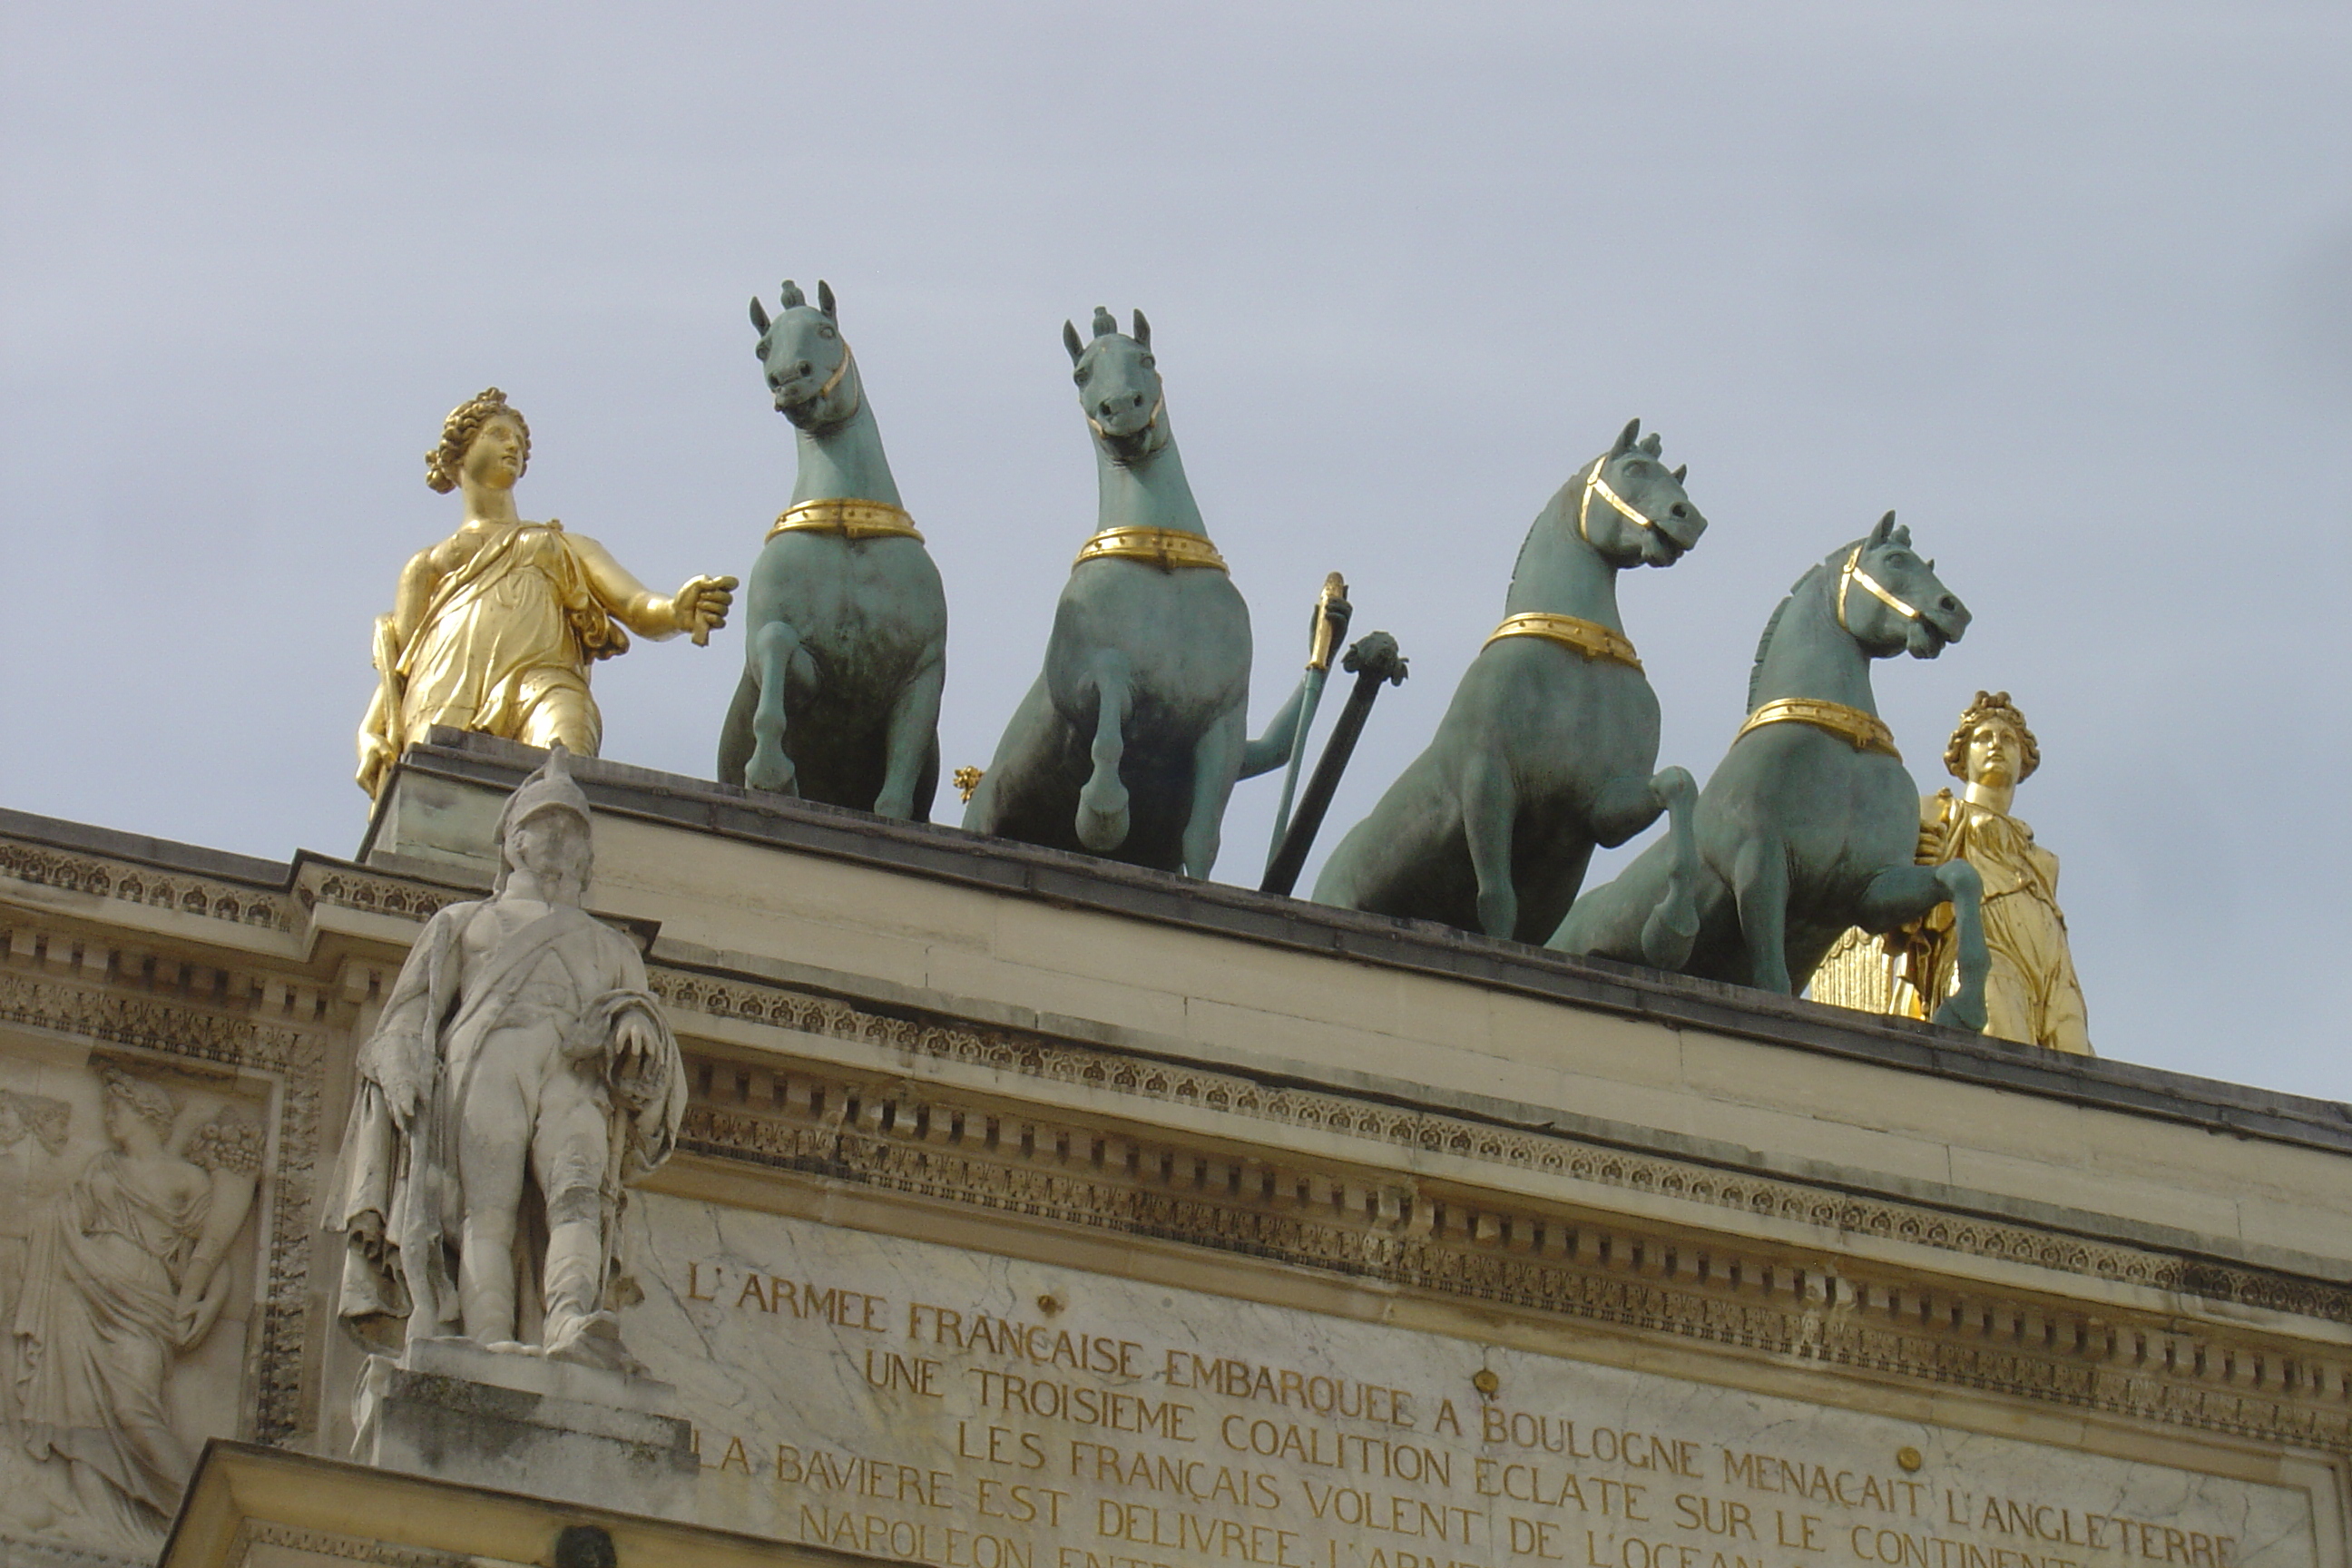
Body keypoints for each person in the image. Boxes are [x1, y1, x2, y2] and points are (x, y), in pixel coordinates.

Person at [330, 746, 684, 1367]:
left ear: (587, 852)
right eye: (541, 827)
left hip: (577, 1079)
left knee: (578, 1194)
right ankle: (486, 1337)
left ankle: (571, 1318)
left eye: (569, 830)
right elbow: (407, 1015)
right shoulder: (462, 923)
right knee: (484, 1212)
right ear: (513, 844)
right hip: (485, 1065)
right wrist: (400, 1063)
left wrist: (637, 1024)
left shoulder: (612, 947)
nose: (555, 839)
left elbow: (642, 1013)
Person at [355, 387, 737, 796]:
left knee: (562, 778)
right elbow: (401, 674)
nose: (513, 446)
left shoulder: (565, 545)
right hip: (444, 697)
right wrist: (369, 732)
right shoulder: (427, 565)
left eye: (519, 442)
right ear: (458, 456)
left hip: (545, 682)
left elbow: (635, 605)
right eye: (498, 434)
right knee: (440, 809)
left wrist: (677, 612)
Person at [10, 1071, 240, 1548]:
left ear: (148, 1114)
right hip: (81, 1293)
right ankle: (97, 1526)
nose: (110, 1116)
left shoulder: (187, 1179)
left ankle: (198, 1516)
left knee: (135, 1411)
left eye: (120, 1107)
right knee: (76, 1411)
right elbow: (57, 1220)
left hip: (143, 1304)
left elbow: (211, 1255)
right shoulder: (101, 1169)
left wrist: (210, 1301)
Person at [1899, 691, 2092, 1054]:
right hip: (1983, 954)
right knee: (2003, 1050)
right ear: (1962, 756)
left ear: (2025, 760)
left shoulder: (2042, 858)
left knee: (2076, 1062)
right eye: (1983, 738)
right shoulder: (1936, 814)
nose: (1996, 746)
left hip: (2051, 964)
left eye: (2008, 740)